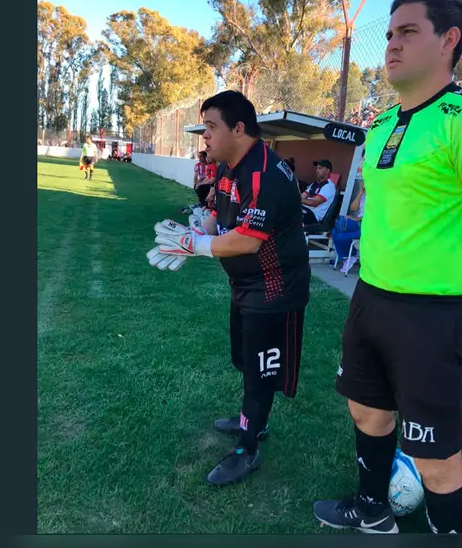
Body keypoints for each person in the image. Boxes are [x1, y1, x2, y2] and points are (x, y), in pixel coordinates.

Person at [312, 0, 462, 535]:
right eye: (388, 34)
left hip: (436, 314)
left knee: (435, 457)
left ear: (448, 40)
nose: (391, 44)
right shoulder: (383, 124)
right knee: (367, 412)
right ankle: (372, 510)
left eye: (407, 32)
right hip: (370, 298)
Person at [147, 90, 311, 487]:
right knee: (245, 359)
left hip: (275, 289)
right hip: (246, 284)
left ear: (239, 129)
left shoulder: (265, 172)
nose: (204, 135)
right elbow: (221, 220)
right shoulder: (228, 166)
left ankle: (248, 448)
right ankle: (252, 420)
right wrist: (195, 232)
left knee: (260, 370)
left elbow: (248, 239)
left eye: (211, 126)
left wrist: (196, 247)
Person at [332, 183, 365, 273]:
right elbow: (353, 208)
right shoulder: (364, 195)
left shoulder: (376, 196)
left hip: (367, 226)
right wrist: (360, 193)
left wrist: (356, 218)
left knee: (341, 234)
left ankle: (351, 256)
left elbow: (374, 215)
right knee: (335, 231)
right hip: (358, 224)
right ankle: (347, 257)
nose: (362, 183)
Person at [299, 160, 336, 225]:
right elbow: (302, 196)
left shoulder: (329, 186)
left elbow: (314, 203)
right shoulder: (314, 184)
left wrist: (297, 199)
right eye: (317, 168)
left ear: (328, 171)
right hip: (304, 209)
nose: (317, 171)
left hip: (313, 215)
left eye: (320, 168)